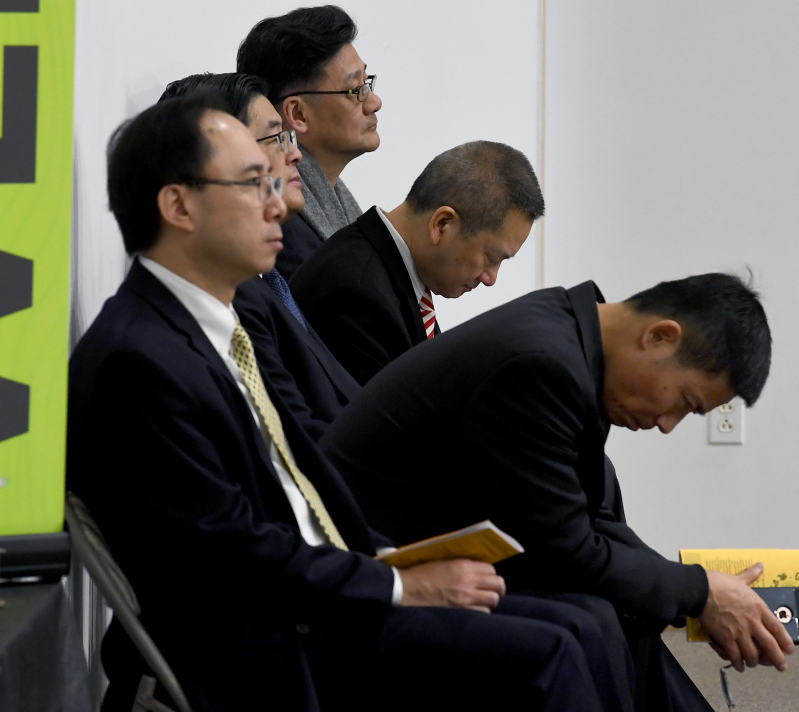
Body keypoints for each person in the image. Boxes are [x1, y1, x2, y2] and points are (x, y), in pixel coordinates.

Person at [66, 93, 624, 712]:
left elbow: (295, 486)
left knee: (579, 624)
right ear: (178, 205)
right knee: (551, 654)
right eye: (254, 184)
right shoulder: (138, 360)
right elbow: (230, 557)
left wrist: (395, 561)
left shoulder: (215, 325)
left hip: (325, 591)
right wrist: (395, 584)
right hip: (276, 640)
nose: (280, 202)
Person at [319, 274, 796, 712]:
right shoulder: (542, 364)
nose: (669, 425)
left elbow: (583, 521)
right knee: (593, 619)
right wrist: (698, 591)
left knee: (615, 612)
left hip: (435, 543)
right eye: (686, 403)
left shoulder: (568, 336)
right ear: (660, 336)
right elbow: (569, 554)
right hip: (363, 568)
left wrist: (699, 591)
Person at [157, 73, 360, 438]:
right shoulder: (224, 307)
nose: (295, 152)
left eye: (288, 137)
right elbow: (299, 442)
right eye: (275, 139)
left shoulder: (263, 284)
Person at [289, 141, 541, 385]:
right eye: (490, 257)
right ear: (442, 224)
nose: (491, 278)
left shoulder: (391, 276)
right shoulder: (355, 294)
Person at [237, 5, 381, 279]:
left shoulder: (329, 199)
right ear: (298, 114)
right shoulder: (283, 227)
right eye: (356, 90)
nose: (374, 102)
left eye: (368, 82)